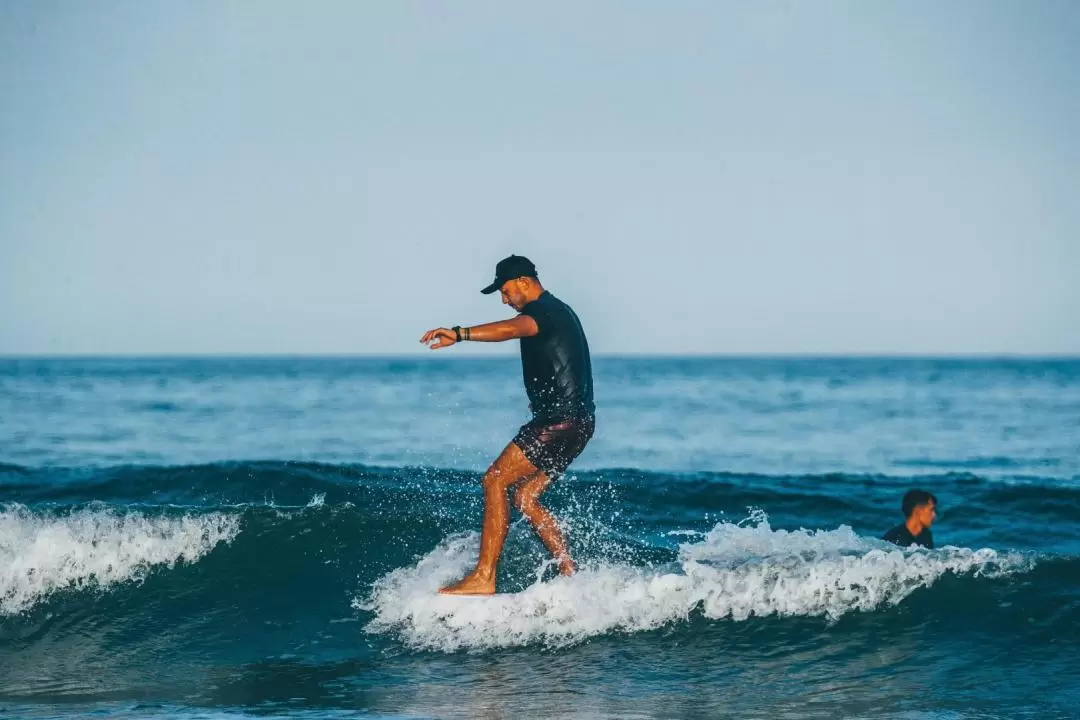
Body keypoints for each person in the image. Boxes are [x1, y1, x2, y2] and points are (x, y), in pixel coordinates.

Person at [420, 255, 596, 595]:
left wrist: (459, 334)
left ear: (524, 282)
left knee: (495, 480)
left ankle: (483, 577)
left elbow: (513, 329)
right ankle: (571, 574)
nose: (505, 300)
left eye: (505, 291)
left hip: (556, 423)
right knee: (525, 497)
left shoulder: (541, 312)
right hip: (581, 423)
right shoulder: (561, 310)